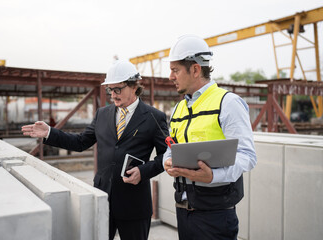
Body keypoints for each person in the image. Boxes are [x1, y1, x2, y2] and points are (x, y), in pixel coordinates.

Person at [22, 60, 168, 240]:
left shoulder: (154, 117)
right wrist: (50, 133)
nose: (113, 95)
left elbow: (167, 155)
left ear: (133, 86)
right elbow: (81, 142)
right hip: (102, 199)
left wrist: (144, 171)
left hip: (134, 203)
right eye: (110, 90)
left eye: (117, 89)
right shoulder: (102, 114)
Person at [163, 35, 257, 240]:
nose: (170, 76)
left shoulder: (228, 103)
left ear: (195, 69)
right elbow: (170, 146)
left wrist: (214, 176)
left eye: (175, 70)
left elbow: (247, 156)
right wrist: (167, 162)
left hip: (215, 216)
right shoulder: (179, 108)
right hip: (183, 210)